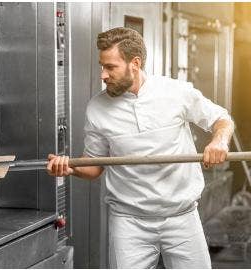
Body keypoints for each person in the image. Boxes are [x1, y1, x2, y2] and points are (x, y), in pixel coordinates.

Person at [47, 27, 234, 269]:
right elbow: (94, 166)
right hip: (129, 223)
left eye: (110, 67)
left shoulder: (175, 92)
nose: (103, 75)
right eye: (102, 66)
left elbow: (221, 119)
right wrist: (70, 168)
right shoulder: (97, 108)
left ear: (134, 63)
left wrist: (219, 141)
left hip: (182, 217)